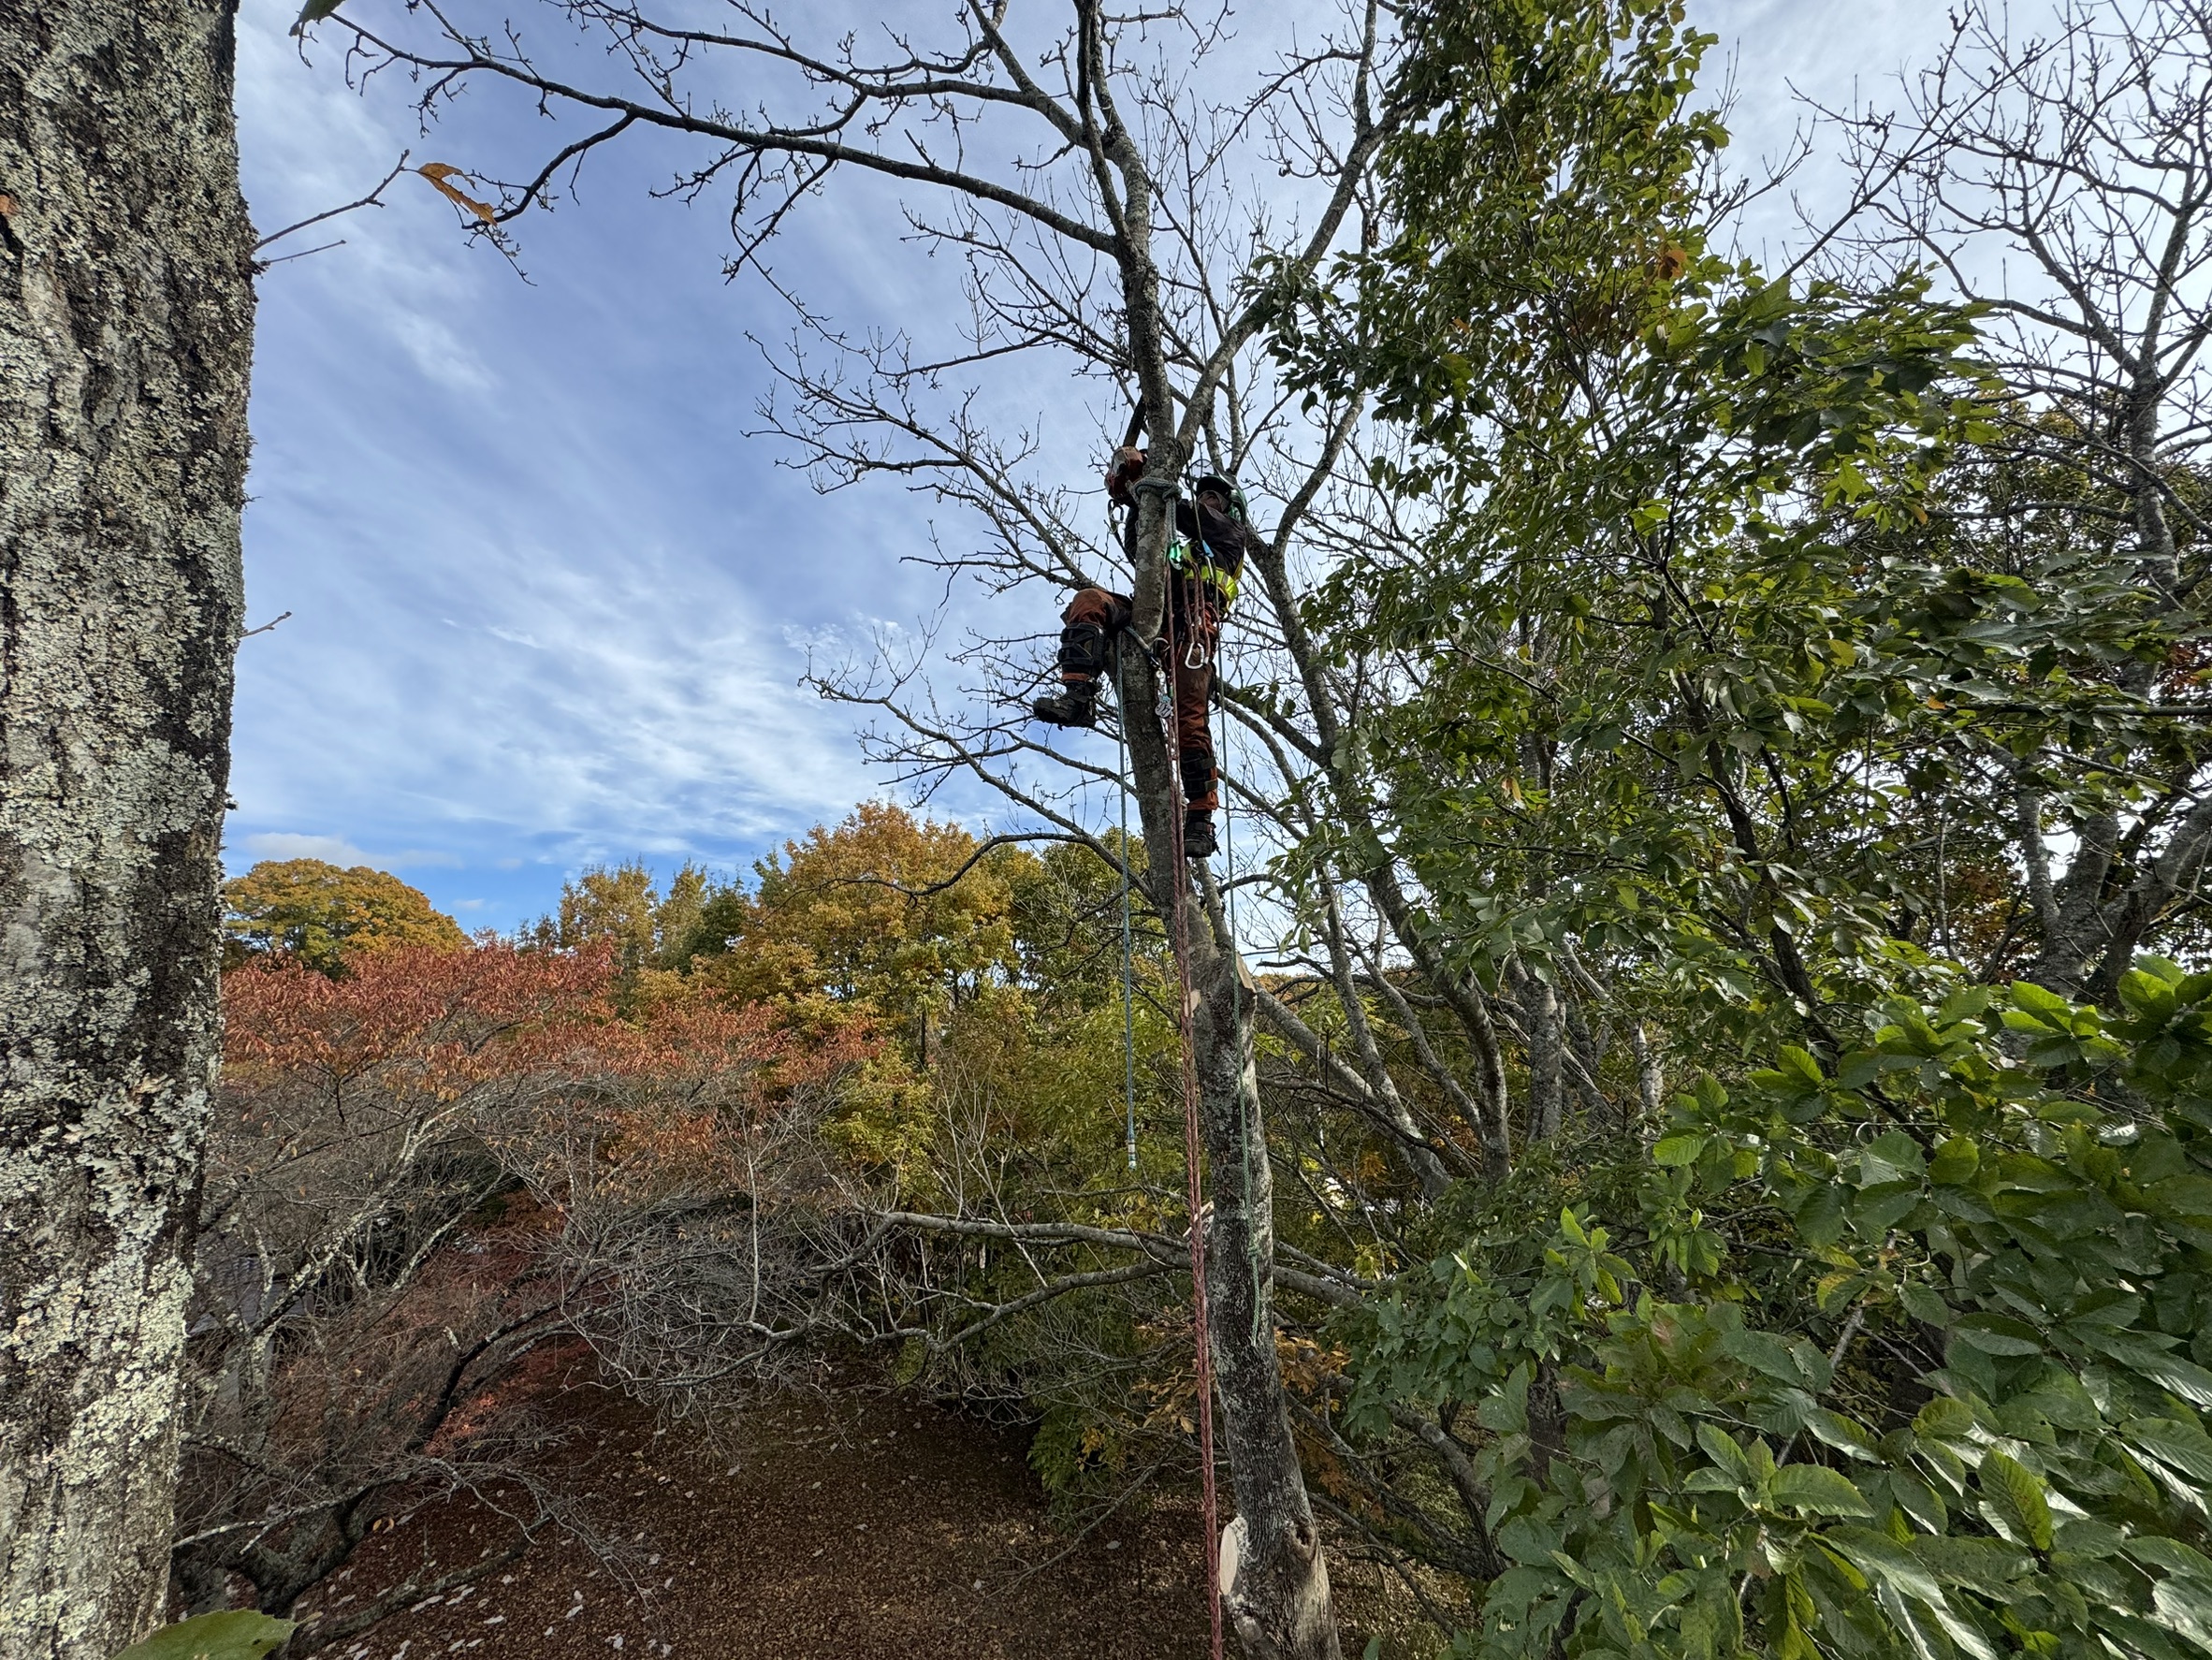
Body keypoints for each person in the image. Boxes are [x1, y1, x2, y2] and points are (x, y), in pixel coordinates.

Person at [1032, 447, 1264, 860]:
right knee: (1089, 601)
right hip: (1153, 613)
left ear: (1230, 508)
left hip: (1194, 624)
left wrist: (1142, 483)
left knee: (1189, 717)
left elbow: (1186, 513)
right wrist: (1133, 500)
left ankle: (1201, 817)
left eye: (1213, 497)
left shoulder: (1229, 534)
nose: (1206, 501)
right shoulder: (1180, 545)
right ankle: (1078, 696)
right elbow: (1140, 548)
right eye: (1203, 495)